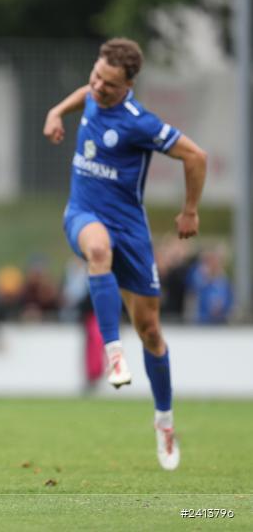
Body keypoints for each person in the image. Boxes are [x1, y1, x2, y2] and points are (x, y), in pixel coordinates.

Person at [43, 38, 207, 470]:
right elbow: (84, 94)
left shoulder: (139, 122)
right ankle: (114, 352)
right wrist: (56, 112)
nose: (97, 87)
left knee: (151, 331)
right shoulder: (95, 92)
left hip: (131, 230)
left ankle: (165, 421)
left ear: (128, 85)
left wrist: (190, 210)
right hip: (83, 212)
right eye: (95, 76)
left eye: (108, 84)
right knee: (97, 248)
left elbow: (196, 155)